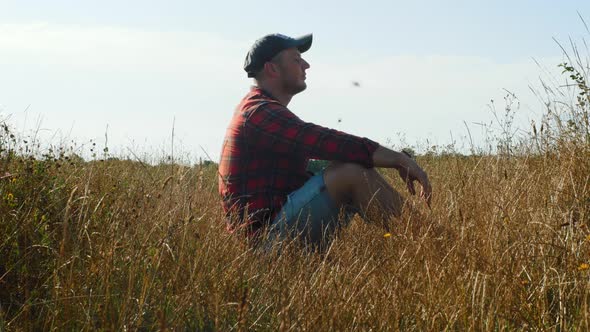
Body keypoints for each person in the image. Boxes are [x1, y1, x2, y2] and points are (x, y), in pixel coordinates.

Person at [218, 33, 432, 249]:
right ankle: (436, 244)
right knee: (351, 172)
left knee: (349, 164)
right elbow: (322, 142)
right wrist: (397, 159)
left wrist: (385, 159)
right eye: (296, 59)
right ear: (272, 69)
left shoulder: (259, 109)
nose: (306, 65)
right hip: (263, 244)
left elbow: (322, 157)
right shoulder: (258, 113)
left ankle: (429, 242)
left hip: (271, 234)